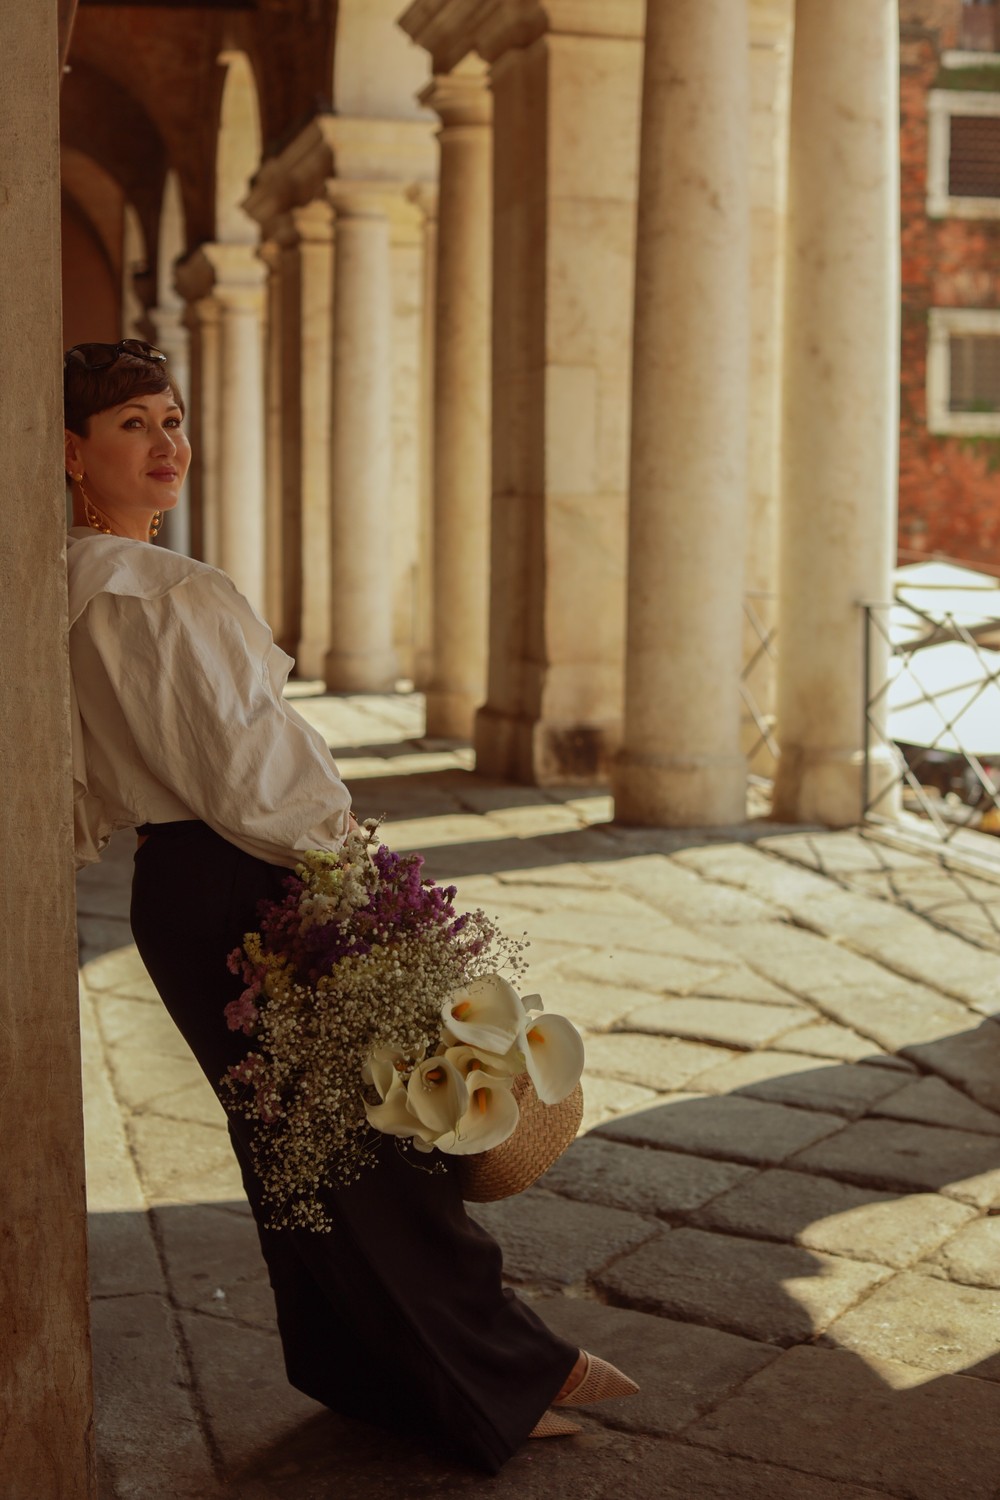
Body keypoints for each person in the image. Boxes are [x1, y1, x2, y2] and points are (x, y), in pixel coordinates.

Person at [64, 340, 638, 1472]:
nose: (168, 442)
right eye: (133, 423)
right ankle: (504, 1371)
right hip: (255, 876)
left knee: (301, 1153)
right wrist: (359, 877)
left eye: (172, 418)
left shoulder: (63, 587)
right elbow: (252, 776)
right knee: (377, 1150)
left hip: (174, 889)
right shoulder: (167, 591)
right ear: (70, 453)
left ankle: (377, 1373)